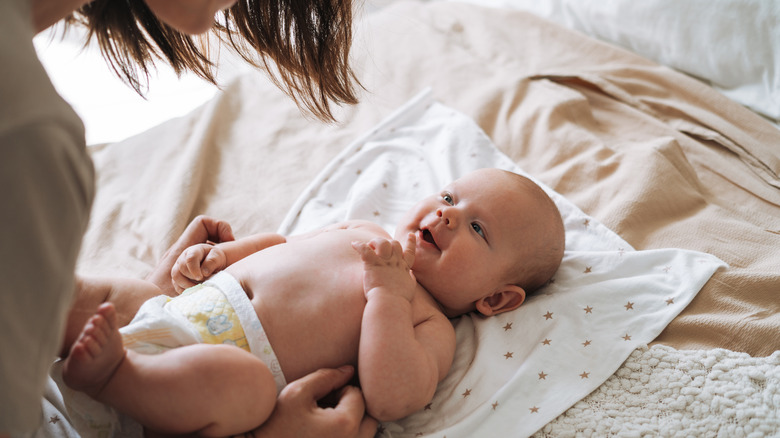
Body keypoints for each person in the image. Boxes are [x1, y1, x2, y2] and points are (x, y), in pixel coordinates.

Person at [0, 0, 361, 435]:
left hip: (117, 356)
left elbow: (30, 297)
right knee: (252, 390)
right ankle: (117, 374)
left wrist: (160, 312)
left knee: (126, 298)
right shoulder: (27, 139)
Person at [60, 168, 566, 436]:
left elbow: (395, 398)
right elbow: (284, 246)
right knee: (118, 292)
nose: (448, 215)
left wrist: (387, 296)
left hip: (198, 382)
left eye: (478, 228)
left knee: (249, 387)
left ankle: (114, 377)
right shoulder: (363, 229)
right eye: (449, 197)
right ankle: (43, 301)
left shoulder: (427, 321)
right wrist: (220, 258)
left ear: (496, 298)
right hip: (167, 315)